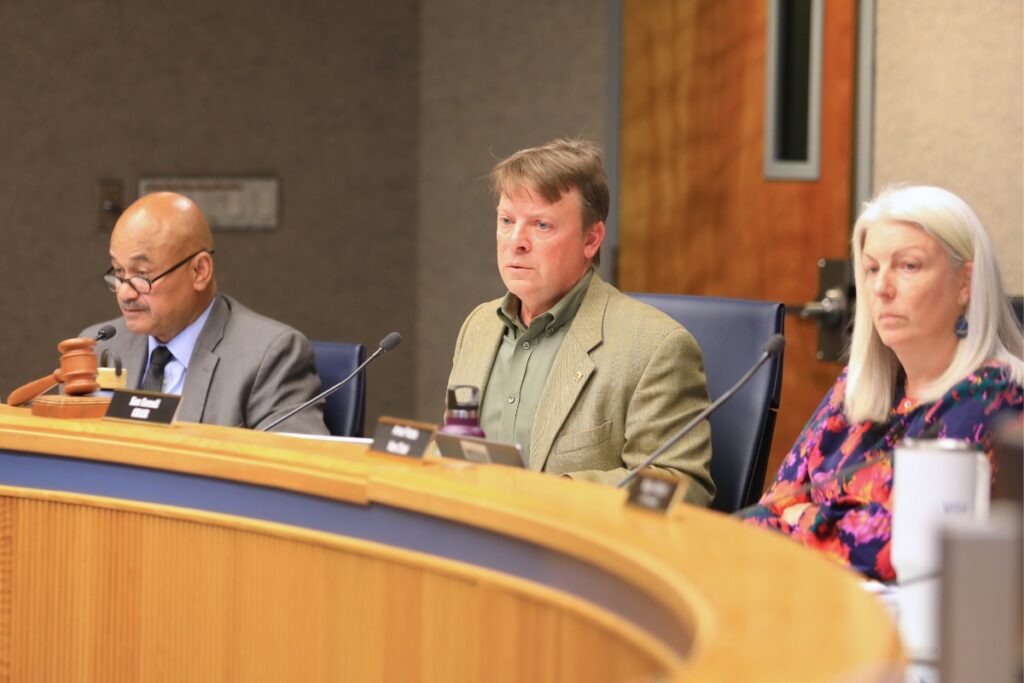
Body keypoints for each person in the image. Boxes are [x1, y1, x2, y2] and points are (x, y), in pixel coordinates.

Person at [741, 185, 1023, 581]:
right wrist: (821, 521)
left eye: (908, 266)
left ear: (966, 283)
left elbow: (889, 549)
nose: (881, 288)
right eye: (872, 269)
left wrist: (802, 514)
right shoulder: (859, 385)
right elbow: (767, 507)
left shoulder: (994, 394)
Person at [444, 139, 715, 502]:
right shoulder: (479, 326)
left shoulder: (655, 347)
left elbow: (681, 488)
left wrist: (555, 494)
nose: (515, 241)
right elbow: (452, 449)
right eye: (506, 220)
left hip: (570, 551)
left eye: (541, 225)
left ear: (591, 239)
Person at [81, 192, 329, 434]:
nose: (125, 293)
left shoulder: (269, 357)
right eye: (119, 273)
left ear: (199, 271)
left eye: (142, 275)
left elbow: (297, 465)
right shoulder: (98, 347)